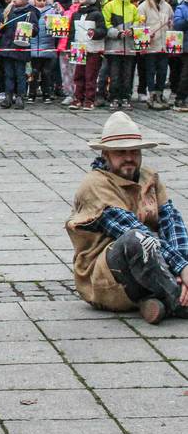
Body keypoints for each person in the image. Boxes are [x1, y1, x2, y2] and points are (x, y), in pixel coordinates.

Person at [65, 112, 186, 324]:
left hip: (155, 268)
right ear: (106, 155)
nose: (129, 158)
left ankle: (159, 301)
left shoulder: (149, 178)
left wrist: (185, 266)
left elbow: (172, 223)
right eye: (121, 152)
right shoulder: (94, 185)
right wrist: (181, 269)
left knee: (170, 241)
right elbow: (130, 229)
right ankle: (176, 300)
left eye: (134, 151)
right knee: (136, 239)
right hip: (107, 279)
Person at [0, 0, 39, 109]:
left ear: (25, 0)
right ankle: (8, 96)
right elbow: (3, 26)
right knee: (8, 74)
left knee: (20, 74)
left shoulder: (30, 13)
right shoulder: (9, 10)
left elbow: (35, 30)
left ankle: (20, 96)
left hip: (21, 49)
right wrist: (0, 28)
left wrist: (30, 29)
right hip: (8, 48)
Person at [103, 0, 139, 110]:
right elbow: (106, 24)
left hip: (129, 47)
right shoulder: (109, 6)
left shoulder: (133, 8)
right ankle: (114, 97)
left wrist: (132, 30)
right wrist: (116, 33)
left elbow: (138, 22)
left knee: (128, 74)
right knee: (114, 74)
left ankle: (126, 97)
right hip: (114, 47)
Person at [138, 0, 173, 110]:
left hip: (163, 45)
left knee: (163, 71)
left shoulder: (167, 7)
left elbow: (171, 23)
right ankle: (151, 94)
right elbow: (140, 26)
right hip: (151, 46)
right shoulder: (143, 7)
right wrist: (146, 36)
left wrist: (171, 26)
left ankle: (160, 94)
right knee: (150, 71)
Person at [68, 0, 107, 111]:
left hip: (93, 50)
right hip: (78, 48)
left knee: (90, 75)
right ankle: (78, 98)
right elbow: (72, 32)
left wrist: (94, 33)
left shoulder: (97, 14)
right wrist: (70, 46)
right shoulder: (75, 14)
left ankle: (89, 100)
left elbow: (103, 30)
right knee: (78, 75)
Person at [27, 0, 59, 103]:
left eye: (44, 0)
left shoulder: (51, 11)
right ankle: (32, 93)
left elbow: (58, 25)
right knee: (34, 72)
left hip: (48, 47)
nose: (41, 2)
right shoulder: (30, 11)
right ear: (33, 0)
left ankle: (47, 93)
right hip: (33, 48)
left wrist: (57, 15)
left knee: (46, 73)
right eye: (39, 0)